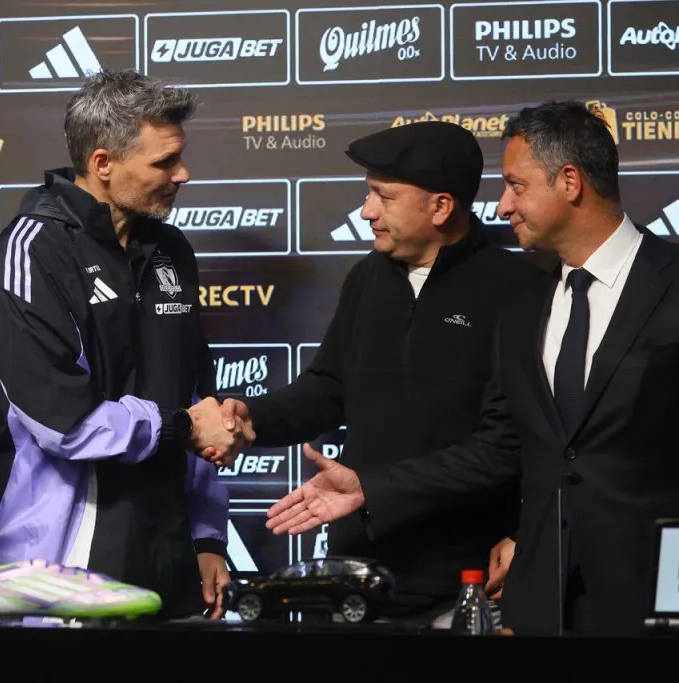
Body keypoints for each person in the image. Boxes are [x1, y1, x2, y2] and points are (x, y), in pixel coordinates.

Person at [264, 100, 679, 636]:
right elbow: (512, 444)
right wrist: (526, 543)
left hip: (651, 597)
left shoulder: (665, 285)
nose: (502, 204)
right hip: (540, 598)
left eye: (516, 185)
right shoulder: (532, 301)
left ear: (570, 182)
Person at [205, 121, 543, 625]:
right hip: (359, 576)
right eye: (369, 195)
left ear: (441, 206)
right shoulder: (367, 276)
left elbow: (505, 447)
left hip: (465, 582)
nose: (367, 212)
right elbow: (327, 389)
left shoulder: (517, 289)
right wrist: (253, 418)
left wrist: (372, 488)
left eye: (383, 197)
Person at [0, 69, 251, 621]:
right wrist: (183, 427)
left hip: (170, 554)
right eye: (163, 162)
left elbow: (197, 395)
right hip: (67, 566)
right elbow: (66, 424)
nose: (182, 174)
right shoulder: (29, 253)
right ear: (102, 164)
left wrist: (206, 536)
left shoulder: (171, 250)